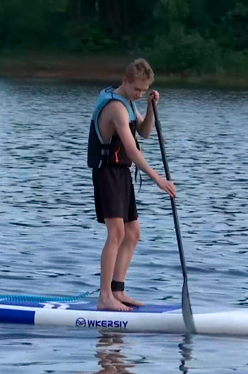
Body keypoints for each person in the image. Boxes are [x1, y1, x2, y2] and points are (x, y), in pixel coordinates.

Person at [87, 58, 176, 311]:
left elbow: (145, 132)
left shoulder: (128, 102)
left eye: (144, 90)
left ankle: (118, 290)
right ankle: (104, 297)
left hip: (122, 173)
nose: (139, 93)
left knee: (133, 233)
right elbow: (131, 149)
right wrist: (158, 179)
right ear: (125, 81)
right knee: (116, 232)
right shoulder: (115, 107)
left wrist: (149, 106)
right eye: (137, 89)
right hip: (107, 173)